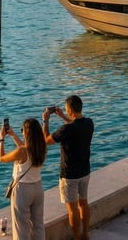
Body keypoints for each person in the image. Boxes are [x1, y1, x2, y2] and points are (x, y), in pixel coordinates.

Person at [43, 95, 95, 240]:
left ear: (70, 110)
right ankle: (85, 235)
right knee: (84, 204)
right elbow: (75, 125)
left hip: (69, 175)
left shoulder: (65, 130)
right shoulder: (89, 123)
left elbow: (46, 140)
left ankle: (76, 238)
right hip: (85, 171)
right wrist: (63, 117)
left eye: (66, 109)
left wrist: (46, 119)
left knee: (72, 209)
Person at [0, 118, 47, 240]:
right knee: (38, 226)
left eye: (22, 130)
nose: (22, 132)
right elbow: (26, 150)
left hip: (23, 190)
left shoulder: (22, 151)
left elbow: (2, 158)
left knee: (21, 228)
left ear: (27, 133)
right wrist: (14, 135)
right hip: (38, 188)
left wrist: (2, 139)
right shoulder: (41, 148)